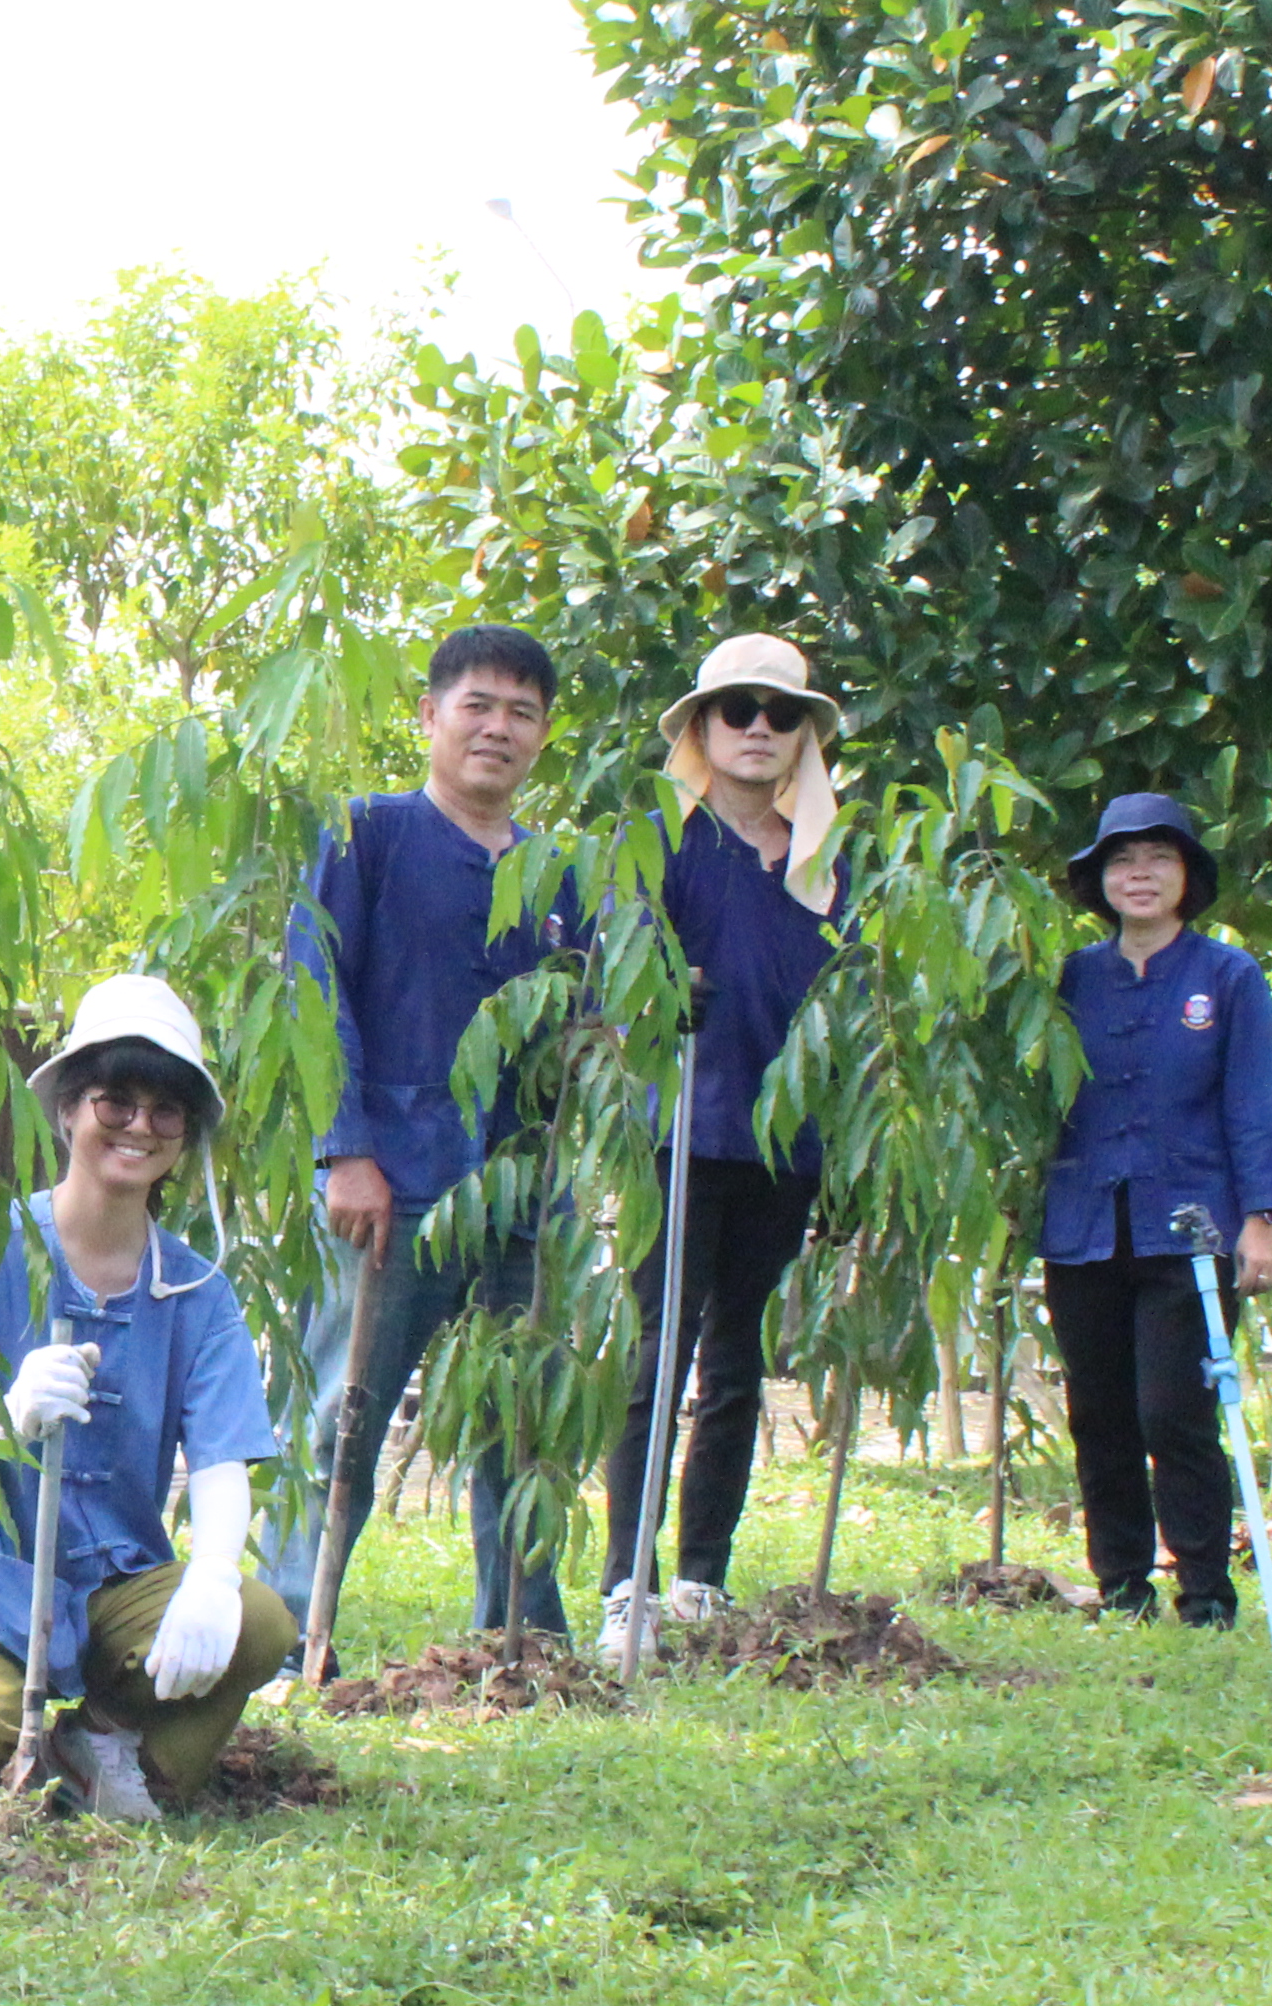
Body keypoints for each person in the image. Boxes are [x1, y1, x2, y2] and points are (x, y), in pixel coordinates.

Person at [0, 977, 295, 1819]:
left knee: (260, 1621)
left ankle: (98, 1741)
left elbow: (221, 1458)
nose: (140, 1126)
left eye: (167, 1110)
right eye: (117, 1100)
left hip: (113, 1579)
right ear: (68, 1109)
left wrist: (211, 1573)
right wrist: (3, 1420)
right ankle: (28, 1747)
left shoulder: (197, 1293)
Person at [277, 622, 586, 1640]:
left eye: (522, 713)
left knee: (521, 1419)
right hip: (395, 1180)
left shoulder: (560, 877)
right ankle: (284, 1629)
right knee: (343, 1416)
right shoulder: (366, 836)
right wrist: (346, 1150)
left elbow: (582, 1026)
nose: (498, 729)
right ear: (431, 717)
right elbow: (317, 1001)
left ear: (542, 736)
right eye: (478, 706)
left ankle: (525, 1637)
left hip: (524, 1191)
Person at [599, 633, 853, 1662]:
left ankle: (704, 1575)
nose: (758, 728)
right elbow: (609, 982)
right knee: (659, 1350)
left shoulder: (834, 863)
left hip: (785, 1144)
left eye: (779, 713)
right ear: (702, 727)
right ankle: (629, 1583)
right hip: (679, 1136)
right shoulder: (664, 844)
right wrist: (656, 1000)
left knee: (738, 1358)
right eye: (737, 709)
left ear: (804, 736)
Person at [1036, 793, 1272, 1626]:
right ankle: (1121, 1584)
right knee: (1098, 1408)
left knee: (1173, 1407)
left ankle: (1206, 1588)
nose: (1139, 876)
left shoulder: (1227, 976)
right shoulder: (1068, 977)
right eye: (1121, 860)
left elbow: (1251, 1102)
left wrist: (1262, 1218)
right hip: (1083, 1223)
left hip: (1191, 1224)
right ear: (1099, 879)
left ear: (1187, 877)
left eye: (1159, 859)